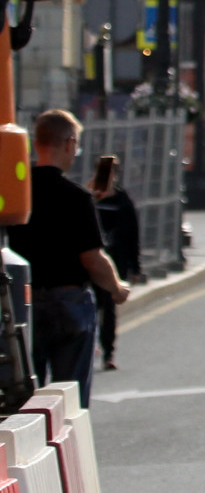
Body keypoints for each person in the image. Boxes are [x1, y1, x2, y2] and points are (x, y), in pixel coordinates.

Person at [3, 112, 130, 406]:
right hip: (69, 304)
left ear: (37, 143)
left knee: (28, 396)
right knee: (69, 398)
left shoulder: (19, 194)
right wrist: (116, 288)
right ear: (70, 144)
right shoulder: (76, 197)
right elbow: (92, 259)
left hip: (26, 304)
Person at [87, 155, 143, 372]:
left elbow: (133, 234)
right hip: (92, 261)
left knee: (109, 308)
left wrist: (135, 266)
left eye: (110, 174)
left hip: (115, 261)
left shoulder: (122, 201)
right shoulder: (87, 198)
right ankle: (92, 345)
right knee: (92, 305)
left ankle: (108, 352)